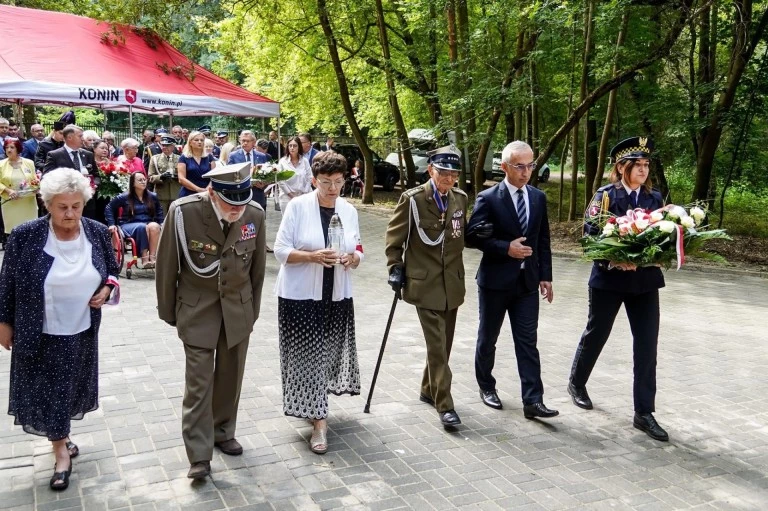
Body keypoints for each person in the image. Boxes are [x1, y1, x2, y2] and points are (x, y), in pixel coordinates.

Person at [0, 168, 119, 491]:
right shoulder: (26, 235)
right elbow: (7, 281)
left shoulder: (95, 232)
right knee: (48, 389)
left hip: (81, 329)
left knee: (69, 388)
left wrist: (107, 289)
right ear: (47, 204)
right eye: (62, 207)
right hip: (37, 330)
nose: (70, 213)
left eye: (76, 206)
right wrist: (3, 322)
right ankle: (60, 452)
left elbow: (111, 269)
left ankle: (62, 434)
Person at [155, 162, 266, 480]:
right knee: (199, 383)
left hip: (237, 311)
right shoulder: (182, 212)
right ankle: (199, 455)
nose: (238, 210)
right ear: (212, 192)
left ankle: (222, 431)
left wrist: (252, 313)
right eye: (231, 203)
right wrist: (170, 312)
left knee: (231, 378)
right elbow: (167, 267)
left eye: (242, 203)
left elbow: (257, 272)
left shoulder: (254, 214)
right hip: (198, 310)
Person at [567, 137, 669, 441]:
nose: (643, 169)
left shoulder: (655, 198)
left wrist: (661, 255)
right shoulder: (606, 196)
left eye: (646, 164)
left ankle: (644, 412)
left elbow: (664, 236)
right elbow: (590, 235)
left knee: (647, 344)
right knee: (597, 333)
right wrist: (614, 258)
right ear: (621, 167)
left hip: (645, 283)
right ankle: (577, 382)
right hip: (609, 281)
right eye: (637, 164)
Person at [273, 151, 363, 454]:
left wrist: (354, 258)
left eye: (338, 182)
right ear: (314, 180)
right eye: (326, 183)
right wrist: (313, 256)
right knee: (308, 355)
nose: (333, 189)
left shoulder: (349, 210)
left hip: (336, 292)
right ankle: (319, 424)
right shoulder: (298, 207)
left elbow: (357, 246)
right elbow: (280, 250)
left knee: (325, 354)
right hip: (300, 296)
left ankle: (314, 405)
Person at [465, 141, 557, 420]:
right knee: (488, 338)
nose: (526, 171)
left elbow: (543, 239)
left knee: (528, 341)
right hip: (495, 281)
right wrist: (506, 247)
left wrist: (546, 276)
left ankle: (533, 400)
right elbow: (471, 238)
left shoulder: (538, 198)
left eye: (530, 165)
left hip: (527, 283)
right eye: (519, 166)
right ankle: (486, 386)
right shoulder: (489, 198)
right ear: (504, 167)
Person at [384, 145, 468, 428]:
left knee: (444, 345)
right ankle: (445, 404)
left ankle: (427, 388)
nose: (449, 179)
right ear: (431, 170)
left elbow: (460, 237)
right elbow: (394, 238)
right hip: (424, 283)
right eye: (443, 173)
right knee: (437, 345)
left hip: (452, 284)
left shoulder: (460, 199)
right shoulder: (413, 200)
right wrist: (395, 268)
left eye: (454, 174)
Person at [105, 172, 164, 268]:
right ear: (133, 183)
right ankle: (145, 259)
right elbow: (109, 208)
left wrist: (161, 222)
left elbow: (159, 210)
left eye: (144, 179)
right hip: (128, 224)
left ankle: (152, 258)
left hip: (147, 223)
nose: (143, 182)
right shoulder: (124, 197)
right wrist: (111, 224)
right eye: (140, 180)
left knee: (154, 226)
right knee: (142, 227)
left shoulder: (152, 196)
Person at [0, 138, 39, 235]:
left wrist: (36, 186)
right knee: (14, 231)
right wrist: (9, 191)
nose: (9, 150)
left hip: (28, 202)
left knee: (30, 229)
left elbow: (34, 179)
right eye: (6, 147)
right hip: (11, 202)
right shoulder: (1, 164)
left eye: (12, 147)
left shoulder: (29, 163)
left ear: (18, 148)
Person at [228, 131, 268, 209]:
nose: (245, 143)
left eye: (247, 141)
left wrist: (264, 185)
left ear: (254, 142)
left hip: (257, 195)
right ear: (240, 141)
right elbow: (230, 175)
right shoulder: (233, 156)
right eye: (243, 140)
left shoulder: (262, 156)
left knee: (258, 219)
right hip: (240, 195)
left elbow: (266, 175)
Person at [276, 136, 312, 212]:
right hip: (286, 197)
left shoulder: (304, 161)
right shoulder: (282, 161)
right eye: (290, 146)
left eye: (295, 146)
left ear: (299, 147)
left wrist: (304, 193)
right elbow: (280, 180)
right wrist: (291, 195)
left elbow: (309, 177)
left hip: (303, 196)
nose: (292, 148)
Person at [148, 135, 182, 214]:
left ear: (173, 146)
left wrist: (178, 176)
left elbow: (186, 175)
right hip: (161, 195)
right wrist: (160, 177)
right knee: (162, 220)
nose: (164, 147)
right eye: (163, 145)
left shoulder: (180, 158)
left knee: (176, 220)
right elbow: (150, 177)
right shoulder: (155, 159)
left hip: (176, 194)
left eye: (167, 145)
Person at [177, 131, 216, 198]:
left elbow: (215, 176)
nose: (200, 142)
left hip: (207, 194)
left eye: (202, 140)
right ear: (190, 142)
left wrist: (207, 188)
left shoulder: (209, 157)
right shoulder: (183, 158)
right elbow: (181, 178)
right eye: (196, 140)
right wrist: (198, 189)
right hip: (188, 194)